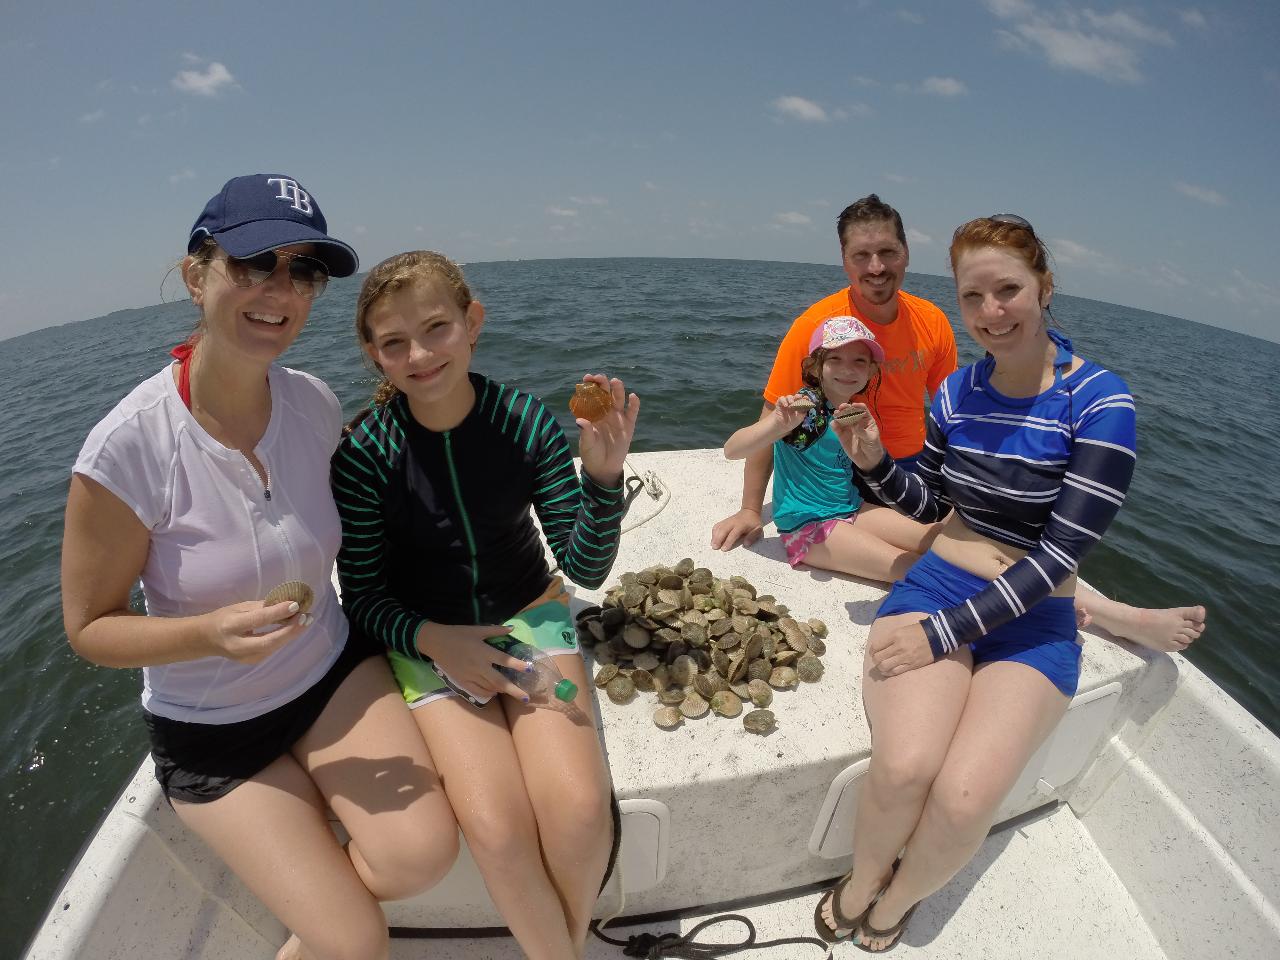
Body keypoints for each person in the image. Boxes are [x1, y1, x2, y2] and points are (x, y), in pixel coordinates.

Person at [61, 175, 459, 960]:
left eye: (303, 271)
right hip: (216, 730)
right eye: (253, 263)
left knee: (423, 856)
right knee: (353, 944)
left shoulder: (311, 403)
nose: (281, 289)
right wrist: (205, 633)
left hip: (331, 670)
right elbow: (89, 630)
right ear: (196, 275)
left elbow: (377, 519)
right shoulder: (127, 449)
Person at [813, 214, 1150, 950]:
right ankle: (862, 880)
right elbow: (930, 505)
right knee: (905, 768)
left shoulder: (1100, 402)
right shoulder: (958, 392)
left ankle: (898, 899)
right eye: (974, 297)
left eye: (1008, 290)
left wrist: (940, 637)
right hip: (939, 586)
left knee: (964, 802)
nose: (991, 313)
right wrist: (872, 463)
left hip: (1032, 625)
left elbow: (1059, 559)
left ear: (1045, 287)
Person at [713, 194, 1204, 652]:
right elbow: (768, 424)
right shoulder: (815, 334)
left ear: (906, 253)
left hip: (900, 479)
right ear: (844, 262)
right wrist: (752, 508)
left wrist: (972, 495)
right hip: (850, 491)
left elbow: (963, 416)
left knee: (965, 547)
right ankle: (1085, 611)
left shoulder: (931, 322)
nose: (876, 267)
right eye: (861, 255)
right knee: (930, 567)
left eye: (887, 251)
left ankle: (1108, 611)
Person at [331, 250, 640, 960]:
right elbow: (366, 598)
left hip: (531, 619)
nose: (419, 353)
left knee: (580, 809)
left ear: (473, 322)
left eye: (437, 327)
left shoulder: (524, 421)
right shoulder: (364, 456)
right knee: (496, 829)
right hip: (428, 643)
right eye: (394, 342)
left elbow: (584, 563)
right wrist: (439, 641)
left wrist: (601, 479)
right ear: (373, 356)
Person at [724, 316, 937, 582]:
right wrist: (776, 425)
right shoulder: (805, 411)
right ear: (815, 367)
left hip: (853, 509)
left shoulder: (849, 413)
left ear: (871, 370)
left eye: (859, 361)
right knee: (918, 570)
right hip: (808, 526)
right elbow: (732, 450)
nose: (847, 369)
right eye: (835, 359)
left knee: (940, 540)